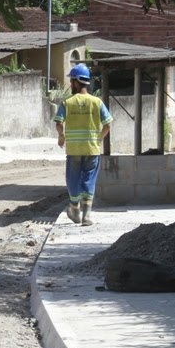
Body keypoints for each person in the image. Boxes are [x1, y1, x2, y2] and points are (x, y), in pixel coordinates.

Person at [54, 63, 112, 226]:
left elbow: (58, 122)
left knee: (73, 179)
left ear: (76, 81)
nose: (70, 84)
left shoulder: (68, 103)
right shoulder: (97, 102)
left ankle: (74, 209)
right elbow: (108, 124)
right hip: (92, 150)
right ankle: (86, 216)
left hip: (74, 150)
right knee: (89, 180)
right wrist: (98, 139)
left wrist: (61, 136)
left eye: (71, 81)